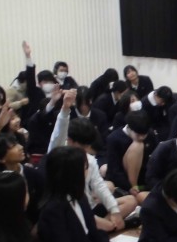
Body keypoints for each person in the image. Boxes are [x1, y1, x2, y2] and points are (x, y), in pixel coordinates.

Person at [46, 90, 139, 232]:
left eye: (87, 146)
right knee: (103, 223)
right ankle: (102, 228)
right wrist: (65, 109)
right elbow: (57, 135)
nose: (85, 150)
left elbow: (99, 185)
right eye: (82, 146)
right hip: (72, 210)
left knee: (130, 200)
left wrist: (114, 211)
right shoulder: (59, 155)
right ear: (70, 141)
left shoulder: (89, 159)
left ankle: (102, 227)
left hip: (89, 206)